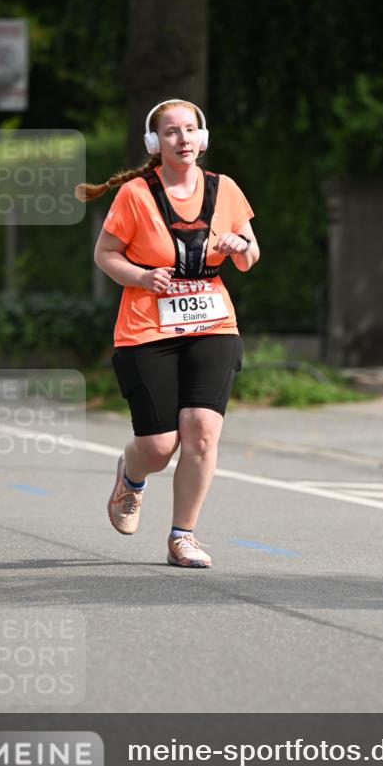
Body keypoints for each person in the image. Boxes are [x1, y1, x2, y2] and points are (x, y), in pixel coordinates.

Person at [76, 99, 259, 568]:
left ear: (203, 137)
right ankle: (131, 478)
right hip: (146, 329)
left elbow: (249, 254)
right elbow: (106, 253)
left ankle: (183, 536)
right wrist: (139, 277)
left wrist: (240, 247)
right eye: (172, 132)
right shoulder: (136, 195)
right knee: (159, 446)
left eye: (191, 129)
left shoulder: (225, 189)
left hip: (213, 324)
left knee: (201, 431)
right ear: (156, 143)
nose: (183, 139)